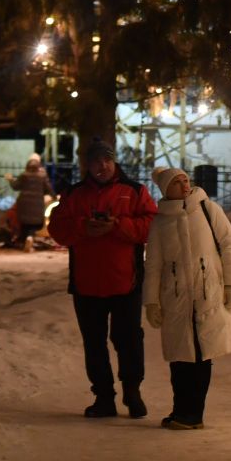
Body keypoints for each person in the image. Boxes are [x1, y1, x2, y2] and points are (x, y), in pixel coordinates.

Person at [46, 140, 157, 418]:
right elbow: (57, 229)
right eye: (96, 161)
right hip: (87, 284)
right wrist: (84, 227)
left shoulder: (134, 191)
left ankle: (133, 392)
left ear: (114, 161)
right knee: (94, 343)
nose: (102, 166)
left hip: (126, 282)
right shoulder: (73, 194)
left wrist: (117, 226)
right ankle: (104, 397)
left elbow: (152, 226)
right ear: (87, 164)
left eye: (106, 160)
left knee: (129, 339)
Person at [144, 167, 231, 430]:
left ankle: (193, 414)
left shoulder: (209, 210)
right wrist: (151, 301)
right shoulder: (161, 222)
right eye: (177, 182)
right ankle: (180, 410)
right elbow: (152, 264)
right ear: (166, 189)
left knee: (202, 354)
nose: (184, 186)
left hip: (207, 292)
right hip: (176, 298)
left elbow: (229, 245)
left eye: (186, 180)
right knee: (179, 357)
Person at [4, 153, 54, 251]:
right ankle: (30, 238)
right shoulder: (42, 176)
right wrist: (54, 196)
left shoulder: (24, 175)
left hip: (23, 205)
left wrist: (10, 180)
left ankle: (24, 241)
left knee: (24, 223)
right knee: (34, 224)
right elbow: (48, 189)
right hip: (37, 205)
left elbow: (15, 186)